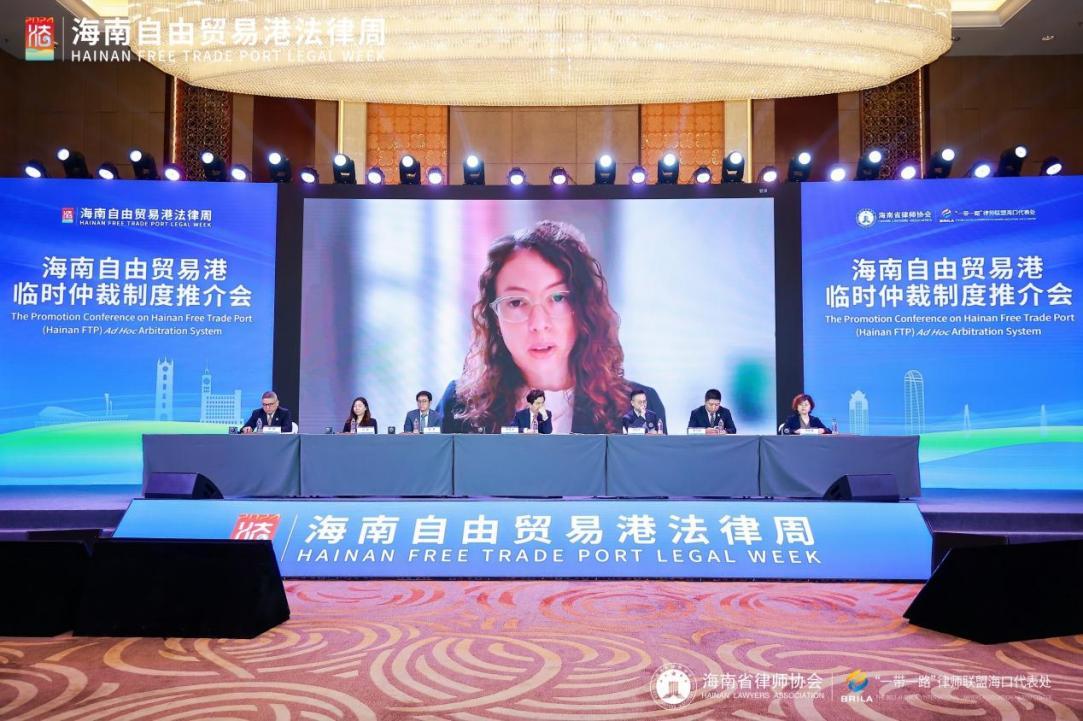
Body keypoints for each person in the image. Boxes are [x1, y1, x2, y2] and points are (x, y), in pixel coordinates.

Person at [437, 220, 665, 434]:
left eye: (557, 298)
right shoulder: (458, 407)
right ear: (495, 318)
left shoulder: (637, 406)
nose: (538, 324)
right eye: (516, 302)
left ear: (584, 306)